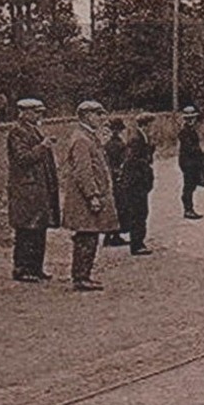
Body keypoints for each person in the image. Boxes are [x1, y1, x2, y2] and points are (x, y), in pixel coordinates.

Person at [63, 100, 120, 290]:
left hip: (86, 197)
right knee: (86, 236)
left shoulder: (88, 136)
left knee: (90, 235)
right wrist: (92, 195)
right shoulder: (81, 139)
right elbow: (83, 171)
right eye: (98, 114)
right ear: (87, 115)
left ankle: (83, 275)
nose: (101, 118)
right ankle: (81, 277)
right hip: (84, 199)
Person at [5, 98, 59, 282]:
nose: (39, 115)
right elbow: (22, 158)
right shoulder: (17, 131)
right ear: (24, 112)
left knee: (38, 228)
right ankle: (22, 269)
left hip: (37, 188)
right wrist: (42, 147)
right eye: (36, 112)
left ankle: (36, 268)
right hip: (25, 189)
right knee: (26, 229)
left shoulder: (33, 130)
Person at [119, 113, 157, 254]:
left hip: (140, 183)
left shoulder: (143, 138)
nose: (153, 128)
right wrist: (145, 164)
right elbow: (132, 161)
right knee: (138, 213)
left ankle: (139, 242)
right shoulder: (136, 139)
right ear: (145, 125)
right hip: (135, 184)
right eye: (151, 125)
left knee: (142, 212)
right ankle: (137, 245)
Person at [177, 105, 204, 219]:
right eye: (188, 118)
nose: (190, 120)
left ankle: (188, 207)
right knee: (189, 185)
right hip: (187, 163)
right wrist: (201, 150)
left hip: (193, 162)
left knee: (199, 182)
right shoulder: (184, 132)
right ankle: (188, 209)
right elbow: (189, 148)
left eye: (192, 118)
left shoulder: (192, 130)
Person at [102, 116, 129, 248]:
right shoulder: (120, 145)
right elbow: (123, 163)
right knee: (120, 206)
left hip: (110, 177)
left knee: (114, 206)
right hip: (118, 178)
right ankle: (114, 235)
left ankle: (110, 235)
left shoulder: (107, 145)